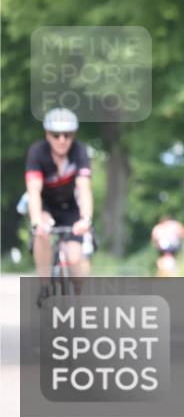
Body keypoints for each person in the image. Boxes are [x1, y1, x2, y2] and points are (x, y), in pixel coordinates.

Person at [25, 108, 93, 304]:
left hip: (71, 209)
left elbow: (84, 188)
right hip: (46, 207)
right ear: (47, 134)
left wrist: (86, 219)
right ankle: (45, 286)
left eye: (67, 134)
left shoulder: (79, 151)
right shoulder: (37, 152)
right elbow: (33, 191)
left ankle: (80, 300)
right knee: (42, 232)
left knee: (74, 258)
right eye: (56, 135)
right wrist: (36, 221)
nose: (62, 139)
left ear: (74, 135)